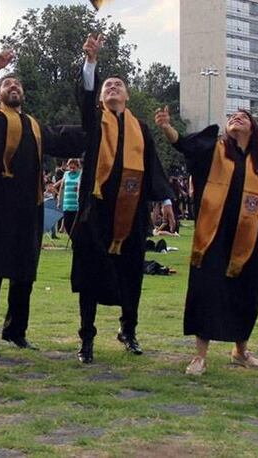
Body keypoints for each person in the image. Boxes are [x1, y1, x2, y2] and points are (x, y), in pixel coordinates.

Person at [0, 49, 84, 358]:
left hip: (29, 209)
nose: (13, 87)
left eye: (17, 85)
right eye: (7, 85)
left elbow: (64, 136)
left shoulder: (35, 126)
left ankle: (15, 331)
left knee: (24, 272)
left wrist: (98, 123)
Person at [156, 106, 258, 375]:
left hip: (247, 242)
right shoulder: (213, 151)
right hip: (212, 237)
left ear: (253, 129)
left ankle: (240, 351)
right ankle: (200, 356)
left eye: (244, 117)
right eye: (232, 117)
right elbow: (185, 146)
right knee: (207, 292)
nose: (236, 119)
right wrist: (168, 128)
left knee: (246, 296)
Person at [71, 34, 175, 364]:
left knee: (132, 274)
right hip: (96, 212)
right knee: (89, 275)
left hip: (132, 215)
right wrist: (91, 61)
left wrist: (167, 200)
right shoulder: (94, 122)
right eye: (107, 86)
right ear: (101, 96)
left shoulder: (140, 129)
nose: (113, 87)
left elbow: (152, 167)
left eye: (118, 85)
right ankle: (86, 338)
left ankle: (128, 330)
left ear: (127, 95)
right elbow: (85, 97)